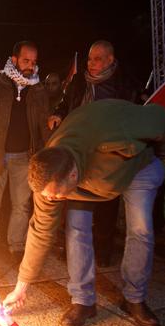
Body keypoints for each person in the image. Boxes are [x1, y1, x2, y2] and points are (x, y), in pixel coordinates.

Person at [3, 100, 165, 326]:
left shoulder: (112, 130)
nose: (52, 199)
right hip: (91, 183)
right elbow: (41, 231)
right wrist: (21, 287)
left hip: (137, 167)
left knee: (140, 229)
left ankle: (134, 298)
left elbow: (159, 117)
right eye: (49, 196)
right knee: (76, 231)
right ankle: (83, 301)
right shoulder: (50, 179)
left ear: (73, 174)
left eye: (56, 196)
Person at [47, 40, 139, 267]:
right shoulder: (79, 82)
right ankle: (74, 250)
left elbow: (132, 112)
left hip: (109, 151)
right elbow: (66, 103)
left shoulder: (124, 84)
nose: (92, 63)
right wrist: (58, 114)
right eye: (90, 58)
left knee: (106, 201)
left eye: (98, 58)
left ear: (110, 60)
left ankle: (103, 250)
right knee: (77, 196)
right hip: (81, 148)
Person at [0, 41, 50, 261]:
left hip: (25, 157)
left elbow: (45, 123)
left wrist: (51, 150)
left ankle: (16, 246)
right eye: (26, 60)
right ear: (14, 59)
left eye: (34, 62)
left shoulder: (39, 89)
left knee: (21, 206)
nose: (30, 66)